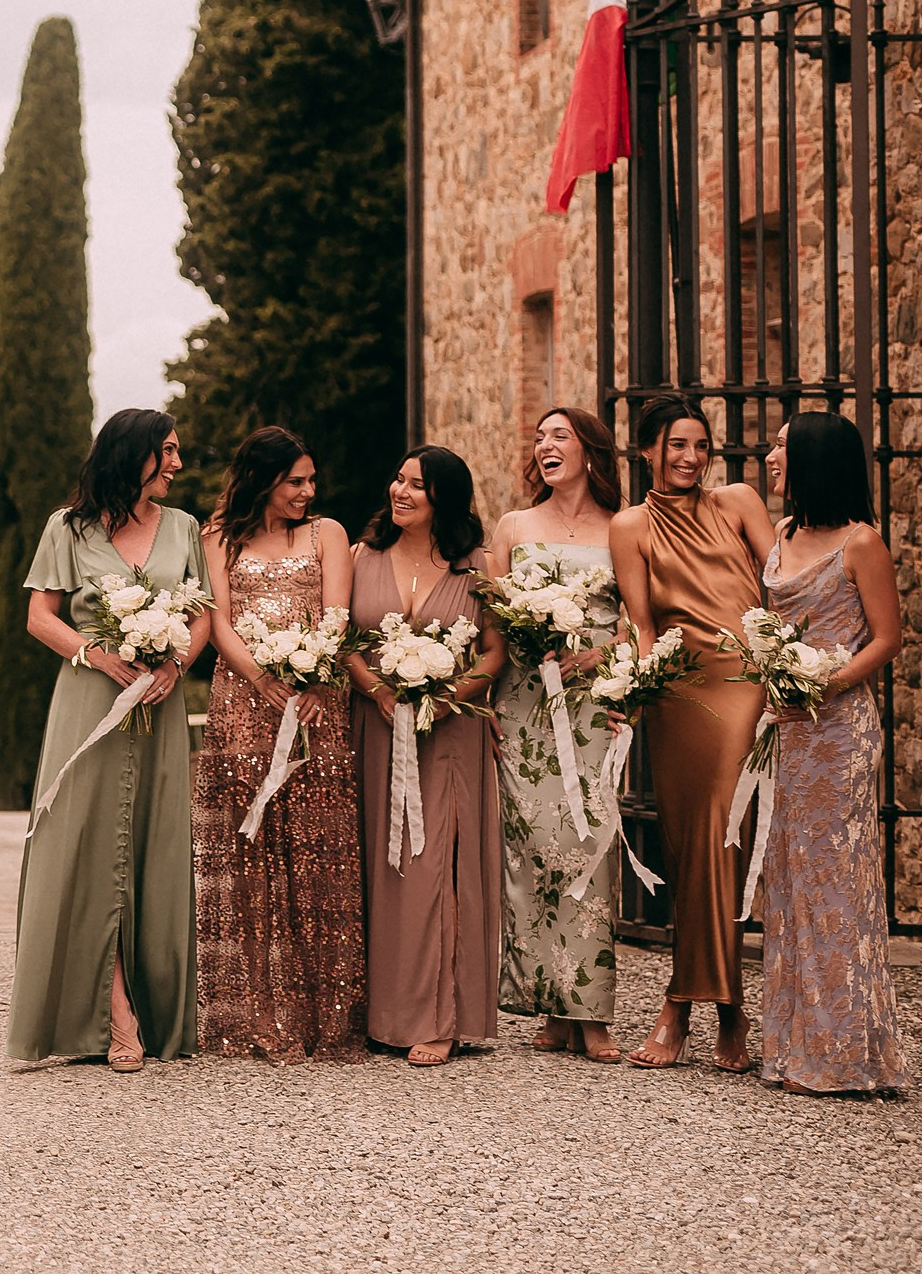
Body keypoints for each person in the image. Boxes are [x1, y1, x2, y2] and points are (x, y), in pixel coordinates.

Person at [10, 409, 210, 1072]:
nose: (178, 465)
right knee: (85, 847)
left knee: (150, 849)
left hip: (160, 706)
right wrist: (97, 656)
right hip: (89, 700)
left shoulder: (184, 529)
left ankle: (154, 1007)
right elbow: (40, 617)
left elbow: (202, 615)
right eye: (169, 452)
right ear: (134, 455)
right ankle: (114, 1013)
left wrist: (174, 664)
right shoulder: (66, 529)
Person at [607, 396, 769, 1072]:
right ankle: (723, 1006)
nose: (691, 457)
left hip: (744, 683)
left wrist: (790, 662)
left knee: (721, 835)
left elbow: (783, 582)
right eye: (676, 444)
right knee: (687, 844)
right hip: (678, 690)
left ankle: (687, 1004)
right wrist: (632, 693)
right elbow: (642, 620)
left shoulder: (737, 502)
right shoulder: (629, 525)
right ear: (646, 450)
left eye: (700, 445)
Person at [193, 426, 364, 1063]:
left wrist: (312, 677)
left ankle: (327, 1013)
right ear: (263, 479)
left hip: (316, 703)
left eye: (311, 481)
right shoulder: (219, 537)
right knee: (251, 848)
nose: (307, 491)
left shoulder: (329, 534)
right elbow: (217, 619)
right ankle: (256, 1012)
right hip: (242, 702)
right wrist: (263, 681)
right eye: (295, 481)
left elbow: (336, 615)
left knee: (319, 849)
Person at [756, 413, 906, 1095]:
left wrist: (820, 683)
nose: (770, 454)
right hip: (789, 728)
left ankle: (845, 1053)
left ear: (814, 458)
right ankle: (796, 1047)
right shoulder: (783, 533)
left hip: (840, 732)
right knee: (791, 879)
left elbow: (886, 638)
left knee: (837, 882)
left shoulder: (861, 543)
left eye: (782, 446)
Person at [345, 445, 506, 1066]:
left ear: (444, 496)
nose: (400, 491)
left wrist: (446, 698)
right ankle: (381, 1011)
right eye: (398, 478)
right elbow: (345, 642)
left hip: (450, 733)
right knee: (384, 869)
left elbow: (494, 653)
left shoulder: (475, 567)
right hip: (377, 726)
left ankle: (442, 1016)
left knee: (440, 862)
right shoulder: (363, 558)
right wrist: (379, 691)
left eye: (416, 484)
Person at [487, 407, 625, 1063]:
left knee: (589, 845)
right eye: (539, 437)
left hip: (591, 707)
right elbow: (493, 618)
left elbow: (638, 621)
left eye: (558, 436)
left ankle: (590, 1011)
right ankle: (546, 1000)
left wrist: (600, 657)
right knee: (536, 850)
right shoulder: (515, 526)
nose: (544, 444)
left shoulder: (621, 528)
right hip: (524, 705)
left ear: (590, 451)